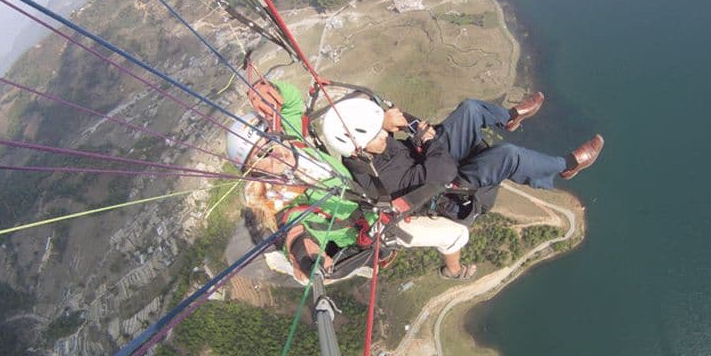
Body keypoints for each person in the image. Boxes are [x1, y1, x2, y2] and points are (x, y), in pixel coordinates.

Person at [227, 80, 478, 282]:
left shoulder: (291, 144)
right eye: (262, 155)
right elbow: (294, 228)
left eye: (271, 141)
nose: (275, 152)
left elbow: (291, 104)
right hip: (370, 226)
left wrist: (273, 90)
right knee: (455, 235)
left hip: (367, 191)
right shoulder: (272, 200)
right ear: (252, 169)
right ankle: (453, 272)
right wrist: (304, 255)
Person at [321, 93, 604, 204]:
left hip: (429, 157)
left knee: (470, 108)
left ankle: (508, 117)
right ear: (357, 147)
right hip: (447, 186)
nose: (384, 134)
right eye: (377, 134)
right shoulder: (379, 177)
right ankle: (567, 165)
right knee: (509, 155)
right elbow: (441, 172)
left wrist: (399, 124)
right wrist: (429, 141)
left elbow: (404, 140)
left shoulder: (370, 148)